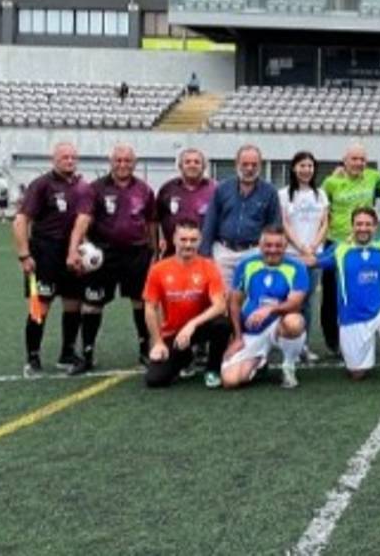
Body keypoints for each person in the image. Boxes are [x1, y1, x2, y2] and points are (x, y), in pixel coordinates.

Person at [67, 143, 157, 373]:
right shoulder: (95, 188)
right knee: (92, 303)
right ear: (111, 162)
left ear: (134, 163)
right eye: (118, 160)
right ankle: (87, 355)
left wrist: (154, 252)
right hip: (102, 255)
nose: (122, 165)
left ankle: (145, 351)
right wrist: (74, 249)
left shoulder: (145, 190)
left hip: (136, 254)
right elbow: (83, 220)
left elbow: (151, 224)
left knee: (140, 301)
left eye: (127, 161)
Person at [315, 207, 380, 388]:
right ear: (352, 226)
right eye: (359, 224)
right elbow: (312, 261)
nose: (363, 228)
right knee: (358, 374)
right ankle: (364, 350)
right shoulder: (340, 250)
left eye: (368, 224)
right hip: (353, 319)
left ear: (375, 226)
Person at [14, 142, 89, 375]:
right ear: (53, 159)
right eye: (65, 157)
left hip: (73, 253)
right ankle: (33, 358)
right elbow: (20, 221)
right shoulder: (42, 185)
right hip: (45, 253)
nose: (70, 161)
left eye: (73, 157)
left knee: (73, 303)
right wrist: (24, 255)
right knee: (40, 306)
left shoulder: (82, 187)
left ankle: (67, 354)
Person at [141, 219, 231, 389]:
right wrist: (158, 342)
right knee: (155, 380)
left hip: (199, 328)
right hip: (173, 333)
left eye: (193, 240)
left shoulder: (209, 267)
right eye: (183, 239)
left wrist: (191, 324)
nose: (188, 245)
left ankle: (213, 369)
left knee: (222, 324)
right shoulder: (159, 269)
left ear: (200, 241)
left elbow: (220, 305)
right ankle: (186, 357)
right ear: (174, 239)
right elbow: (150, 308)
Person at [220, 226, 309, 389]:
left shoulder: (297, 267)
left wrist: (269, 310)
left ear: (285, 246)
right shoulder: (246, 265)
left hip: (279, 326)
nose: (273, 250)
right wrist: (237, 337)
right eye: (268, 245)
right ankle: (259, 362)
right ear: (260, 246)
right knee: (230, 381)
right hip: (252, 328)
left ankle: (288, 367)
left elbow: (296, 303)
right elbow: (234, 302)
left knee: (294, 322)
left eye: (278, 245)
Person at [319, 143, 380, 353]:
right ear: (344, 161)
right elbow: (320, 210)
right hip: (336, 243)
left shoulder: (374, 177)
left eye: (362, 159)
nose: (358, 163)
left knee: (357, 289)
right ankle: (332, 340)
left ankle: (360, 334)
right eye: (354, 159)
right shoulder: (331, 182)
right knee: (330, 293)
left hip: (361, 244)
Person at [200, 144, 281, 289]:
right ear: (236, 164)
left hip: (253, 252)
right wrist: (205, 254)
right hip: (224, 253)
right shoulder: (222, 188)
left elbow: (274, 225)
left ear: (260, 165)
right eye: (245, 164)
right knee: (222, 296)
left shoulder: (270, 192)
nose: (249, 168)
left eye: (254, 165)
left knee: (251, 294)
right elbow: (210, 222)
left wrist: (270, 253)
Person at [282, 151, 328, 363]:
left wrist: (313, 247)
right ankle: (287, 342)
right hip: (291, 256)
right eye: (302, 165)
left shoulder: (320, 194)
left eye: (310, 166)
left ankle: (303, 345)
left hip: (313, 257)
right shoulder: (283, 194)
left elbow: (324, 223)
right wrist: (300, 247)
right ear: (294, 168)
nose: (306, 170)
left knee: (308, 302)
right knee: (291, 301)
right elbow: (285, 224)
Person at [155, 148, 215, 257]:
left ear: (204, 166)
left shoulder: (215, 189)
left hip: (205, 255)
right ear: (180, 166)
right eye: (187, 162)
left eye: (197, 162)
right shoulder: (167, 189)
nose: (192, 165)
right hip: (172, 254)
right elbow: (155, 220)